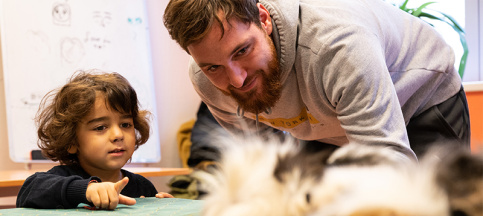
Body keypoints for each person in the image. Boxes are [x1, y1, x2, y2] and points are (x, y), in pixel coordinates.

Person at [163, 0, 471, 161]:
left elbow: (389, 160)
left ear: (264, 20)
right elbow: (268, 164)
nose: (237, 79)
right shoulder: (207, 83)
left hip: (419, 101)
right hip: (327, 128)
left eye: (242, 50)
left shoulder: (338, 48)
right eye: (213, 67)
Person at [16, 71, 173, 210]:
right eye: (100, 128)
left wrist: (162, 209)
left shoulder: (142, 187)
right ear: (71, 141)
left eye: (125, 124)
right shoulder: (60, 178)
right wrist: (87, 190)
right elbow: (28, 192)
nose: (118, 134)